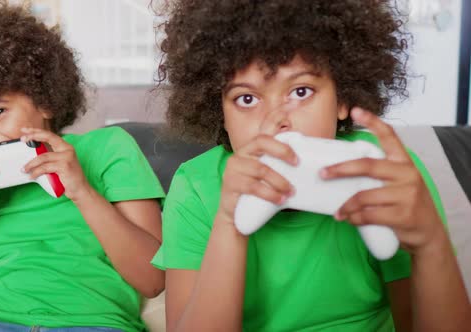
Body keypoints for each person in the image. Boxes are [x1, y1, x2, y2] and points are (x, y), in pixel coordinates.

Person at [151, 0, 471, 331]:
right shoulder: (196, 187)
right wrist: (229, 223)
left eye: (301, 91)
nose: (275, 121)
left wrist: (430, 243)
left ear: (342, 99)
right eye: (247, 99)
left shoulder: (385, 172)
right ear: (221, 114)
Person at [0, 3, 165, 332]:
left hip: (93, 325)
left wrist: (81, 192)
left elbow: (154, 280)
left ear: (46, 101)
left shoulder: (108, 149)